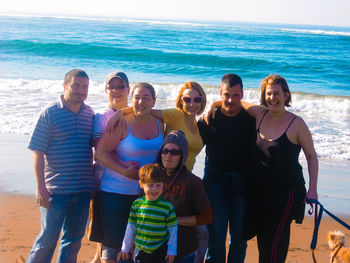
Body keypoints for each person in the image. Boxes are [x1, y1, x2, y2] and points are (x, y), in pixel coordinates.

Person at [109, 81, 208, 262]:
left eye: (197, 99)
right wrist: (120, 113)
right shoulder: (175, 115)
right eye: (187, 99)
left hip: (186, 180)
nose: (192, 103)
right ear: (181, 100)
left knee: (201, 234)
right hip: (167, 178)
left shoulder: (197, 123)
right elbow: (143, 108)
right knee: (156, 224)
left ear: (203, 101)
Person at [241, 75, 318, 263]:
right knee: (262, 238)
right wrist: (217, 102)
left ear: (286, 95)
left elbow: (311, 156)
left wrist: (313, 189)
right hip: (260, 192)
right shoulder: (260, 114)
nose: (272, 97)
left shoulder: (296, 124)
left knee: (275, 240)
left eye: (277, 93)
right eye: (268, 94)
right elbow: (239, 102)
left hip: (287, 193)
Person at [27, 69, 96, 263]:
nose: (81, 91)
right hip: (56, 191)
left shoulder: (89, 113)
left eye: (85, 87)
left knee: (73, 241)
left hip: (83, 190)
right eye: (76, 86)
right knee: (47, 240)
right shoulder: (49, 113)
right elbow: (38, 153)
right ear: (64, 86)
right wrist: (41, 188)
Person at [95, 82, 164, 263]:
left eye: (146, 97)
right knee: (113, 248)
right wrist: (125, 171)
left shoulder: (160, 123)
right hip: (115, 193)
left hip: (145, 195)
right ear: (131, 99)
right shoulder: (121, 122)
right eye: (137, 97)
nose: (141, 101)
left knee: (136, 249)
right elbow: (101, 153)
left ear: (154, 101)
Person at [197, 73, 256, 263]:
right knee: (217, 235)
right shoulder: (210, 118)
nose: (230, 100)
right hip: (215, 183)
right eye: (226, 95)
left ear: (242, 94)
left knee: (239, 238)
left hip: (242, 185)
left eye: (236, 95)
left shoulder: (251, 120)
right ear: (220, 93)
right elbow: (190, 143)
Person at [88, 71, 130, 263]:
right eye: (111, 87)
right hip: (105, 182)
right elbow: (100, 150)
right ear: (105, 91)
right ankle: (98, 257)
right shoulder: (101, 116)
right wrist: (123, 166)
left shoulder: (133, 114)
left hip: (131, 185)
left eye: (120, 86)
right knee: (106, 235)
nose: (116, 90)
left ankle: (98, 256)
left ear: (128, 89)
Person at [155, 130, 213, 263]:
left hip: (182, 249)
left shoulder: (193, 182)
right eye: (165, 151)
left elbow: (206, 217)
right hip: (154, 247)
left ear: (183, 155)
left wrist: (173, 220)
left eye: (175, 152)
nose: (168, 155)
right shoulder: (153, 177)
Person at [118, 163, 177, 263]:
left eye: (158, 185)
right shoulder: (137, 205)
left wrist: (171, 251)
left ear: (163, 186)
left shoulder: (167, 207)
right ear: (141, 184)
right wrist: (125, 248)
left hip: (160, 249)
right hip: (141, 249)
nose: (154, 189)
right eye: (151, 185)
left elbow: (173, 230)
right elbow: (131, 227)